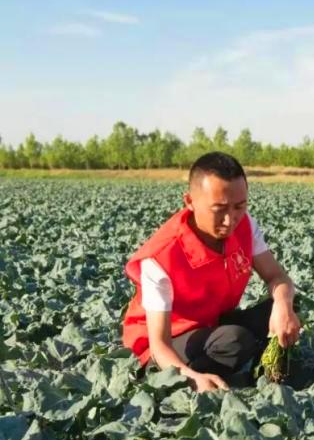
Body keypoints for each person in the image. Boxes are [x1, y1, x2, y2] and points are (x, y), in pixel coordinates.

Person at [122, 152, 300, 392]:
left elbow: (277, 277)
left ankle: (255, 368)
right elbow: (159, 345)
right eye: (219, 208)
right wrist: (191, 377)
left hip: (211, 323)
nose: (231, 219)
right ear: (190, 201)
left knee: (284, 308)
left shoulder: (245, 226)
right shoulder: (161, 257)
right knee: (234, 341)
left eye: (240, 206)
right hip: (164, 342)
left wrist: (283, 305)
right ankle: (180, 385)